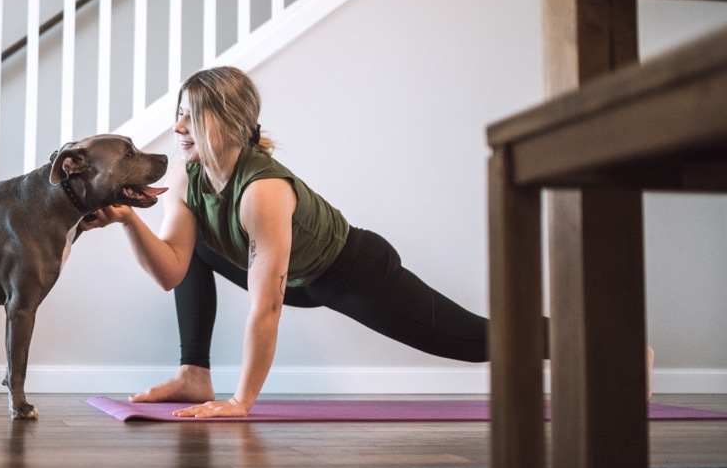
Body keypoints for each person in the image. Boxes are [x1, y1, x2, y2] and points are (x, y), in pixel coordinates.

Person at [81, 66, 541, 418]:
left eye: (191, 116)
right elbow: (171, 271)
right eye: (178, 114)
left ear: (229, 122)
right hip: (299, 278)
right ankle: (193, 374)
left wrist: (242, 401)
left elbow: (267, 308)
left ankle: (575, 333)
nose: (179, 128)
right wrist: (127, 221)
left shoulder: (262, 192)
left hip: (351, 272)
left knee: (478, 341)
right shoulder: (187, 179)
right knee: (195, 243)